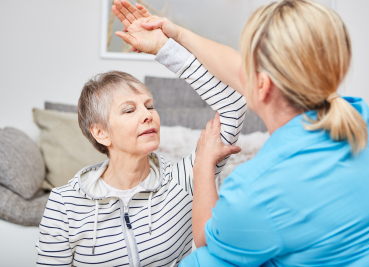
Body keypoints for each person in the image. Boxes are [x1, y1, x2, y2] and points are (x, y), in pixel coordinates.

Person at [114, 0, 369, 266]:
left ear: (262, 85)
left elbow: (204, 239)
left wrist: (204, 163)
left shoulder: (257, 188)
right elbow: (237, 67)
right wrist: (175, 37)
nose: (240, 69)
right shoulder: (364, 119)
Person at [35, 5, 247, 266]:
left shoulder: (185, 179)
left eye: (149, 106)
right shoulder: (64, 204)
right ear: (101, 133)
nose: (148, 115)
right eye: (128, 110)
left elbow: (234, 104)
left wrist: (164, 48)